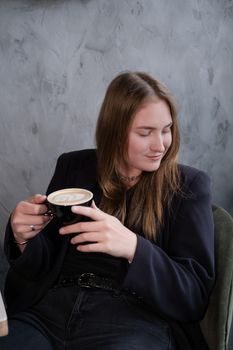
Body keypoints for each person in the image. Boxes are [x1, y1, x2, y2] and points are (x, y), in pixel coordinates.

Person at [1, 71, 215, 350]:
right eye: (145, 132)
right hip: (49, 311)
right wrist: (23, 237)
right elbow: (44, 263)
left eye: (167, 129)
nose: (160, 145)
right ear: (114, 130)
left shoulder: (188, 186)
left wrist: (134, 247)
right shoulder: (73, 166)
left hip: (133, 318)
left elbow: (193, 297)